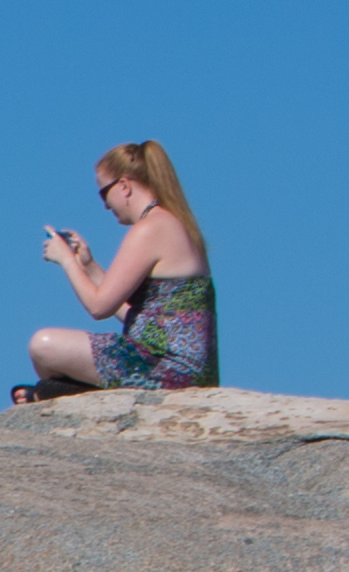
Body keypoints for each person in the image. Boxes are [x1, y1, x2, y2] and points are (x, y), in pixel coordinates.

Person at [17, 139, 217, 401]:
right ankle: (72, 393)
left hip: (168, 371)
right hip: (186, 371)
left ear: (124, 186)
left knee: (43, 346)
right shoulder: (173, 225)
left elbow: (99, 307)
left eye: (104, 193)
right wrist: (88, 266)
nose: (105, 205)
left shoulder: (150, 229)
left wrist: (65, 260)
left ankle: (73, 395)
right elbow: (142, 317)